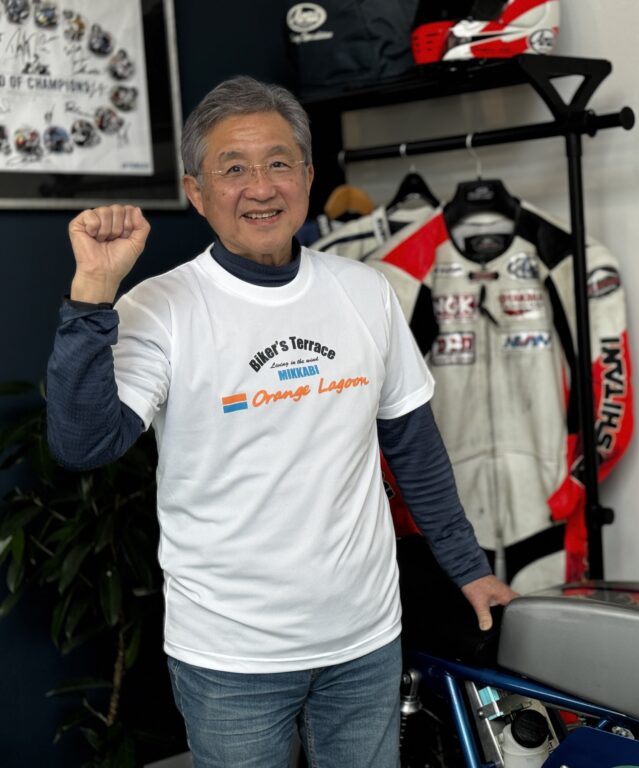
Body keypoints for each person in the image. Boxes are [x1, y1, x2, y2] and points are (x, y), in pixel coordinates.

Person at [45, 75, 516, 768]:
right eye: (233, 169)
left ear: (308, 176)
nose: (261, 188)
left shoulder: (366, 291)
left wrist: (469, 569)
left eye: (278, 162)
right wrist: (93, 294)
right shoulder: (160, 307)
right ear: (196, 191)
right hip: (230, 654)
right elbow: (83, 445)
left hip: (364, 639)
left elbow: (413, 445)